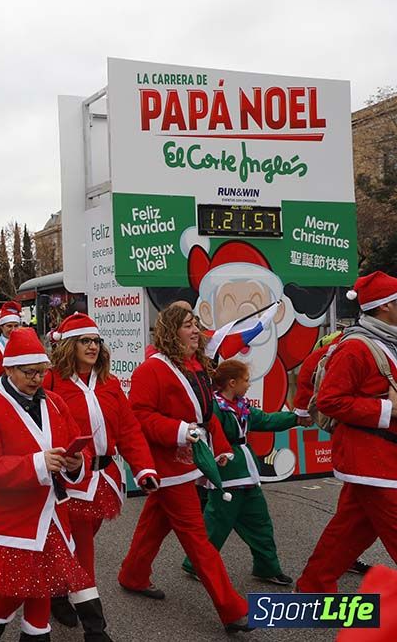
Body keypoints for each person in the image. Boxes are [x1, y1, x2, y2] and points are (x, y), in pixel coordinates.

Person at [0, 327, 111, 642]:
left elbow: (78, 446)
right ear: (9, 369)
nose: (36, 379)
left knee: (41, 584)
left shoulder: (56, 403)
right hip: (10, 517)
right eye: (29, 372)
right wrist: (37, 463)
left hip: (50, 512)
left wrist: (78, 463)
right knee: (21, 585)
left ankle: (4, 629)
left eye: (40, 372)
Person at [118, 304, 251, 633]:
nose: (196, 331)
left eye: (197, 325)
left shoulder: (197, 366)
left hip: (187, 461)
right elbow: (140, 416)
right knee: (196, 538)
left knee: (155, 521)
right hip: (167, 466)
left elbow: (207, 415)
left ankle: (132, 575)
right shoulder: (151, 370)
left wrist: (219, 448)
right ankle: (231, 608)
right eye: (189, 326)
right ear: (170, 331)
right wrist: (180, 431)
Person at [42, 313, 158, 628]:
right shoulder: (53, 382)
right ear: (70, 345)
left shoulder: (109, 383)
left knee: (77, 541)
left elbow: (130, 430)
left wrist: (144, 468)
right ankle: (94, 624)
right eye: (84, 341)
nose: (92, 346)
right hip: (70, 479)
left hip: (105, 478)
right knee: (82, 549)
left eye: (95, 341)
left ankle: (57, 589)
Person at [296, 271, 397, 593]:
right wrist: (386, 410)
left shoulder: (386, 340)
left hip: (381, 457)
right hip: (370, 458)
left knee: (352, 529)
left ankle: (313, 586)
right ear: (384, 307)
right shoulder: (355, 348)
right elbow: (330, 401)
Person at [181, 358, 305, 586]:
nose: (248, 385)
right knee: (216, 525)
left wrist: (296, 418)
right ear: (231, 383)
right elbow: (203, 435)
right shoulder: (214, 408)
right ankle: (196, 564)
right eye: (245, 380)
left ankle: (268, 567)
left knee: (260, 523)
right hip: (226, 473)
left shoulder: (241, 407)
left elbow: (266, 420)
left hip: (247, 472)